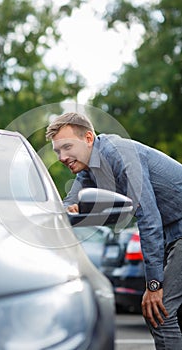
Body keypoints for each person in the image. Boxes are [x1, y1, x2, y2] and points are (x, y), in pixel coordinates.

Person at [46, 112, 182, 350]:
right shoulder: (87, 168)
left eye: (67, 147)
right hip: (173, 233)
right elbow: (69, 205)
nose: (62, 157)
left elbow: (148, 219)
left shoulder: (120, 155)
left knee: (161, 314)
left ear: (88, 138)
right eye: (58, 151)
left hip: (178, 230)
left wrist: (153, 286)